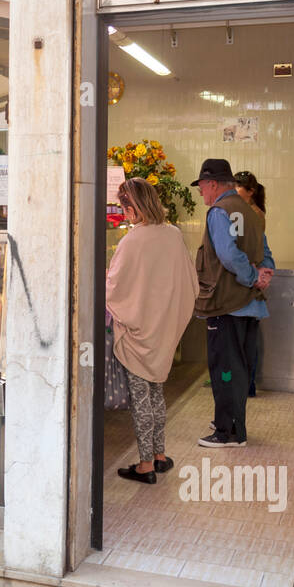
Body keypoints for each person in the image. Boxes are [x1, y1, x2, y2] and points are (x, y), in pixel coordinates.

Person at [106, 178, 197, 483]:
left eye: (124, 206)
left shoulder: (133, 240)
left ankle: (145, 464)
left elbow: (114, 286)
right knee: (157, 390)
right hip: (164, 328)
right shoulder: (172, 234)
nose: (124, 212)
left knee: (140, 397)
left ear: (134, 206)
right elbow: (189, 282)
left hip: (138, 332)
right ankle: (159, 455)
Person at [191, 159, 275, 448]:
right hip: (251, 305)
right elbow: (265, 251)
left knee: (225, 368)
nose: (201, 194)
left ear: (213, 184)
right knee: (238, 368)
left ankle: (226, 432)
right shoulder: (250, 213)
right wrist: (264, 274)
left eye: (202, 188)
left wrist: (252, 276)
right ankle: (233, 424)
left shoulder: (219, 211)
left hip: (226, 304)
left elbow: (227, 255)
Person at [233, 170, 267, 396]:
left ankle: (245, 384)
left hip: (247, 281)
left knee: (243, 344)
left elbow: (239, 250)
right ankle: (246, 384)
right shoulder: (250, 212)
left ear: (250, 192)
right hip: (250, 280)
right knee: (246, 341)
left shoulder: (251, 214)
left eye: (237, 191)